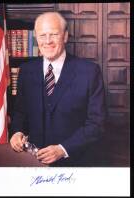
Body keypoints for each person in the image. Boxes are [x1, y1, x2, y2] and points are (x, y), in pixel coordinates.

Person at [10, 12, 106, 167]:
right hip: (33, 164)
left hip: (75, 164)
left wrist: (63, 149)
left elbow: (96, 124)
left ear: (65, 36)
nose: (47, 41)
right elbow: (20, 112)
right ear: (36, 38)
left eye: (54, 34)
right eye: (42, 35)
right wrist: (17, 132)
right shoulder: (26, 71)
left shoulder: (89, 72)